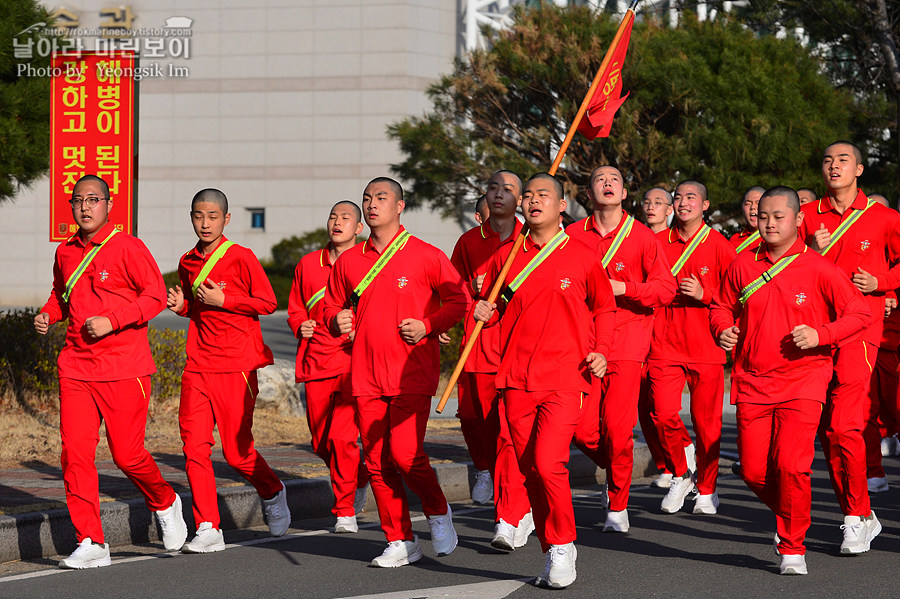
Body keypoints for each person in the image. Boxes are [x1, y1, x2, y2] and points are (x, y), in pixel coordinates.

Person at [711, 187, 870, 575]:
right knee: (752, 470)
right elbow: (721, 304)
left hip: (804, 379)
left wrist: (821, 335)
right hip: (752, 380)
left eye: (778, 216)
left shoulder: (819, 268)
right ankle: (794, 511)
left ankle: (792, 546)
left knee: (792, 466)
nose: (769, 223)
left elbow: (859, 314)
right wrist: (722, 329)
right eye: (763, 216)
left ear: (798, 220)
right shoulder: (742, 264)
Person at [34, 174, 187, 569]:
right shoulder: (67, 251)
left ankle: (165, 501)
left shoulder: (128, 247)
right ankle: (92, 540)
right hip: (76, 367)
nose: (85, 207)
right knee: (75, 455)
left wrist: (113, 321)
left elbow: (154, 295)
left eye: (93, 199)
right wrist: (49, 314)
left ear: (108, 204)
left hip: (124, 367)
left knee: (127, 455)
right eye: (78, 200)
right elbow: (60, 292)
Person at [474, 173, 616, 588]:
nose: (535, 202)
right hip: (516, 377)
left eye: (544, 195)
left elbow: (605, 308)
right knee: (527, 468)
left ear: (561, 205)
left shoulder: (583, 254)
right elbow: (497, 307)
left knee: (549, 463)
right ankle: (552, 543)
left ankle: (562, 545)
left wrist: (602, 350)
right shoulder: (506, 255)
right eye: (529, 196)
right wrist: (486, 313)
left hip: (566, 376)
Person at [323, 177, 470, 567]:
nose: (373, 205)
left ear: (400, 206)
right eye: (367, 199)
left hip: (411, 371)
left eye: (382, 198)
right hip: (366, 374)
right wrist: (334, 319)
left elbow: (459, 300)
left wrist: (429, 325)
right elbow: (330, 306)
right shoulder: (350, 260)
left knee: (406, 455)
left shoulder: (425, 254)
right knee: (375, 461)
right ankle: (400, 539)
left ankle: (438, 512)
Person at [167, 188, 290, 553]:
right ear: (191, 217)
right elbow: (198, 308)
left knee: (237, 453)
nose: (205, 223)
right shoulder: (187, 261)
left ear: (226, 219)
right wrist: (182, 307)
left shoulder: (241, 257)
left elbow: (268, 302)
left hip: (236, 366)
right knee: (194, 448)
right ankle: (209, 526)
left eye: (212, 217)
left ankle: (272, 490)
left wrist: (227, 300)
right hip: (198, 365)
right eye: (198, 216)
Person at [798, 140, 900, 553]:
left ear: (859, 170)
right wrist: (812, 251)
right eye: (827, 160)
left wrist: (883, 283)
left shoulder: (883, 218)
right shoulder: (804, 216)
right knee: (827, 431)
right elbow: (774, 262)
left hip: (861, 332)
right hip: (813, 334)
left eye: (843, 160)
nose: (833, 166)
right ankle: (859, 513)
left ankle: (856, 516)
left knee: (845, 425)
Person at [567, 166, 676, 532]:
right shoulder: (570, 235)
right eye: (600, 179)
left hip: (626, 345)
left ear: (625, 193)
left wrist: (624, 288)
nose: (608, 184)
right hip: (582, 345)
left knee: (617, 429)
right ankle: (615, 468)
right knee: (581, 431)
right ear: (589, 192)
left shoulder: (643, 237)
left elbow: (666, 289)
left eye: (614, 180)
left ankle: (618, 504)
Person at [449, 170, 534, 549]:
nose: (499, 195)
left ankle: (509, 514)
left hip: (519, 347)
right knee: (473, 416)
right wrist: (460, 307)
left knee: (507, 435)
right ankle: (483, 469)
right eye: (493, 188)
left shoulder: (531, 240)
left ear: (522, 199)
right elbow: (453, 289)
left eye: (509, 190)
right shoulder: (469, 241)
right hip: (480, 343)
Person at [647, 180, 736, 515]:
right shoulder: (656, 242)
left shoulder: (719, 245)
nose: (684, 203)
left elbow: (734, 296)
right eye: (679, 197)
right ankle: (683, 470)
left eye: (691, 198)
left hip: (706, 347)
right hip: (663, 344)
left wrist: (705, 295)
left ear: (705, 205)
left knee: (707, 424)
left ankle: (707, 489)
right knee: (662, 413)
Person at [287, 201, 369, 534]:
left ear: (358, 228)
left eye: (346, 218)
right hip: (316, 362)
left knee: (342, 437)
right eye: (333, 217)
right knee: (321, 442)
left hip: (353, 362)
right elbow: (294, 307)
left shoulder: (369, 263)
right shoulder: (308, 264)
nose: (337, 223)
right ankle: (360, 475)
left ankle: (345, 510)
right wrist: (299, 325)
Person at [729, 186, 765, 254]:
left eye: (758, 203)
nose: (752, 207)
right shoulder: (734, 240)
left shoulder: (775, 237)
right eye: (747, 204)